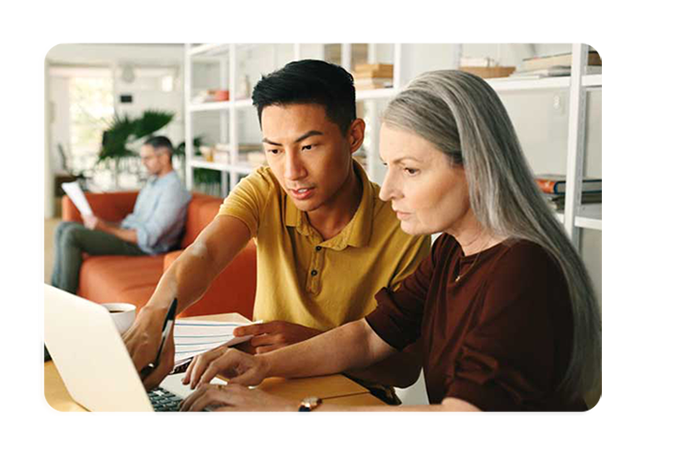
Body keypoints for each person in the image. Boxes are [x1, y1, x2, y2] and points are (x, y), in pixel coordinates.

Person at [179, 70, 601, 416]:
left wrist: (287, 411)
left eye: (411, 170)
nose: (386, 191)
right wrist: (262, 365)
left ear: (477, 167)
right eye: (388, 167)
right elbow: (368, 336)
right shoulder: (452, 250)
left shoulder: (522, 269)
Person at [124, 60, 431, 403]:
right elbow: (205, 254)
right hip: (259, 387)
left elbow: (405, 370)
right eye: (274, 150)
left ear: (354, 135)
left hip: (352, 400)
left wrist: (309, 344)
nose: (291, 172)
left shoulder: (404, 225)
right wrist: (154, 316)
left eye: (308, 147)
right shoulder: (266, 187)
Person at [52, 136, 191, 294]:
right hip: (129, 235)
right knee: (63, 227)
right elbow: (133, 220)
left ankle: (65, 298)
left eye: (148, 158)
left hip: (142, 247)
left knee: (72, 235)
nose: (143, 162)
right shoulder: (153, 183)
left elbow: (148, 237)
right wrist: (103, 223)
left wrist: (105, 228)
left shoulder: (173, 190)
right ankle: (55, 294)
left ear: (164, 157)